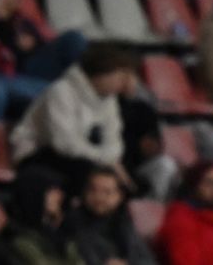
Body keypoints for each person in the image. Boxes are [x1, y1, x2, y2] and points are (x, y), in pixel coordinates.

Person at [8, 44, 133, 191]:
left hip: (83, 156)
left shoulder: (109, 100)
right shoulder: (61, 91)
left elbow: (113, 139)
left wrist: (110, 160)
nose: (124, 83)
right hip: (36, 151)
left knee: (122, 182)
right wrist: (104, 159)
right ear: (101, 74)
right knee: (88, 173)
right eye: (120, 77)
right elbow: (63, 143)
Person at [4, 169, 99, 265]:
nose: (59, 196)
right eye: (51, 191)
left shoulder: (62, 236)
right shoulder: (21, 242)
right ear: (34, 194)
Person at [72, 166, 161, 265]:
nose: (99, 197)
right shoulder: (75, 227)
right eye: (93, 190)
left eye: (107, 192)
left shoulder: (123, 224)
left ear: (119, 196)